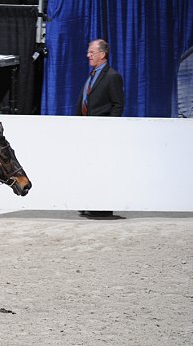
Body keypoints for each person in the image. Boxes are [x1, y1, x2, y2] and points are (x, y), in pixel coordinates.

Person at [76, 38, 124, 218]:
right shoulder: (92, 75)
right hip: (86, 131)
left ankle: (102, 207)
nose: (88, 55)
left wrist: (108, 128)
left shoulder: (112, 76)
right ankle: (87, 202)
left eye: (91, 52)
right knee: (87, 167)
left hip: (101, 132)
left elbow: (118, 105)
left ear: (102, 55)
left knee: (101, 169)